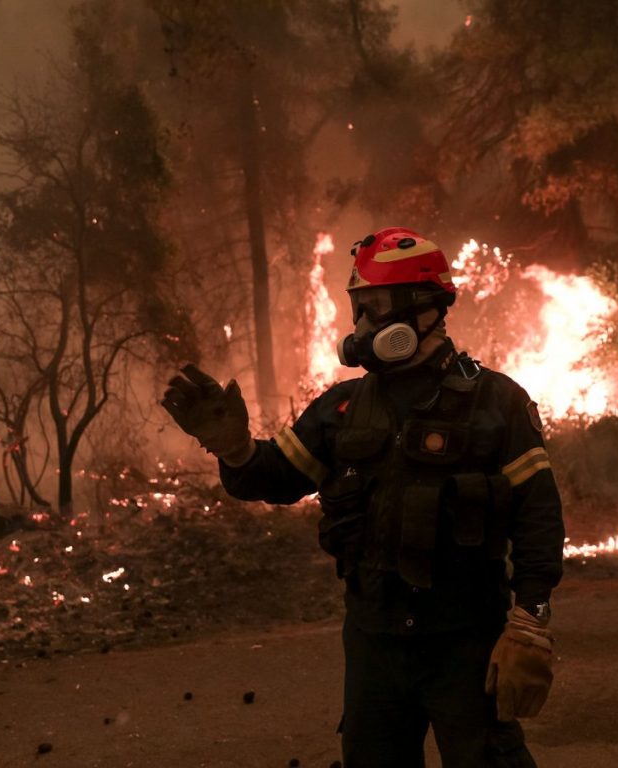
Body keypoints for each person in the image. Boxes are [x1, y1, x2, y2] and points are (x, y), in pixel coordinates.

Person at [161, 227, 565, 767]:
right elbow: (273, 475)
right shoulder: (342, 408)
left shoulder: (496, 402)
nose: (362, 327)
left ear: (424, 309)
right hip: (375, 644)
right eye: (359, 310)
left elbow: (538, 517)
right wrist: (233, 447)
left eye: (375, 308)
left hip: (464, 642)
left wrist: (529, 623)